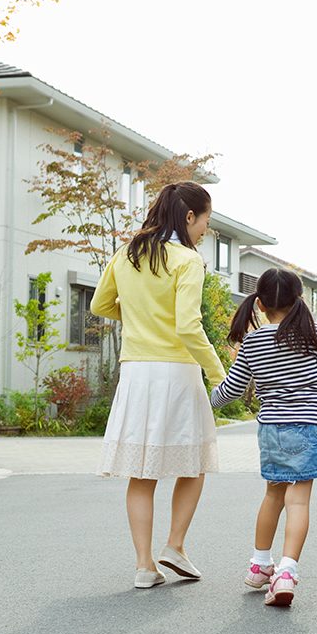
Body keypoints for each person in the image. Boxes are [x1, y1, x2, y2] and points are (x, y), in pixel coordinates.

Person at [92, 182, 227, 590]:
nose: (205, 229)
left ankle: (144, 565)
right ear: (189, 217)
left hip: (136, 373)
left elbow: (100, 305)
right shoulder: (187, 261)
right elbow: (188, 325)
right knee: (194, 464)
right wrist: (221, 372)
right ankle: (175, 545)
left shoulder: (126, 254)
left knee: (141, 471)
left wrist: (137, 317)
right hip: (177, 372)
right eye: (206, 221)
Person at [211, 267, 317, 607]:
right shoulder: (314, 334)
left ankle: (259, 564)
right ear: (299, 301)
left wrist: (208, 400)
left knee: (272, 496)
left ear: (261, 305)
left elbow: (234, 388)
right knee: (298, 500)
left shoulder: (253, 340)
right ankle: (286, 572)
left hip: (271, 430)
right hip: (308, 427)